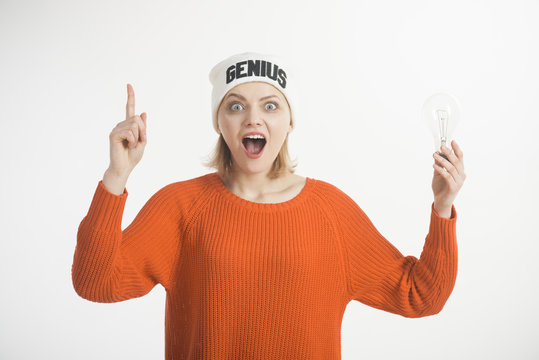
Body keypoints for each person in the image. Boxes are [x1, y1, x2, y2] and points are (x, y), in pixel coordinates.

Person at [71, 51, 466, 359]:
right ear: (219, 122)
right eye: (236, 106)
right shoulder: (181, 207)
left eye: (271, 106)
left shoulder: (331, 212)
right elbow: (94, 282)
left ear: (290, 121)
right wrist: (116, 176)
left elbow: (421, 294)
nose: (252, 119)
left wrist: (443, 207)